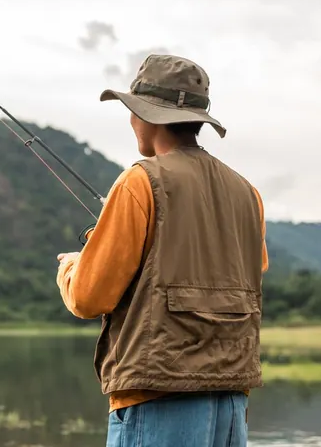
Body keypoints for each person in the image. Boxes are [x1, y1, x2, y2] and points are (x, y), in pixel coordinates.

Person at [56, 54, 269, 447]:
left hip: (157, 396)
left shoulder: (140, 182)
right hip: (230, 400)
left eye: (132, 111)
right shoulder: (247, 193)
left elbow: (89, 297)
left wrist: (73, 265)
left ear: (147, 116)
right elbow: (251, 269)